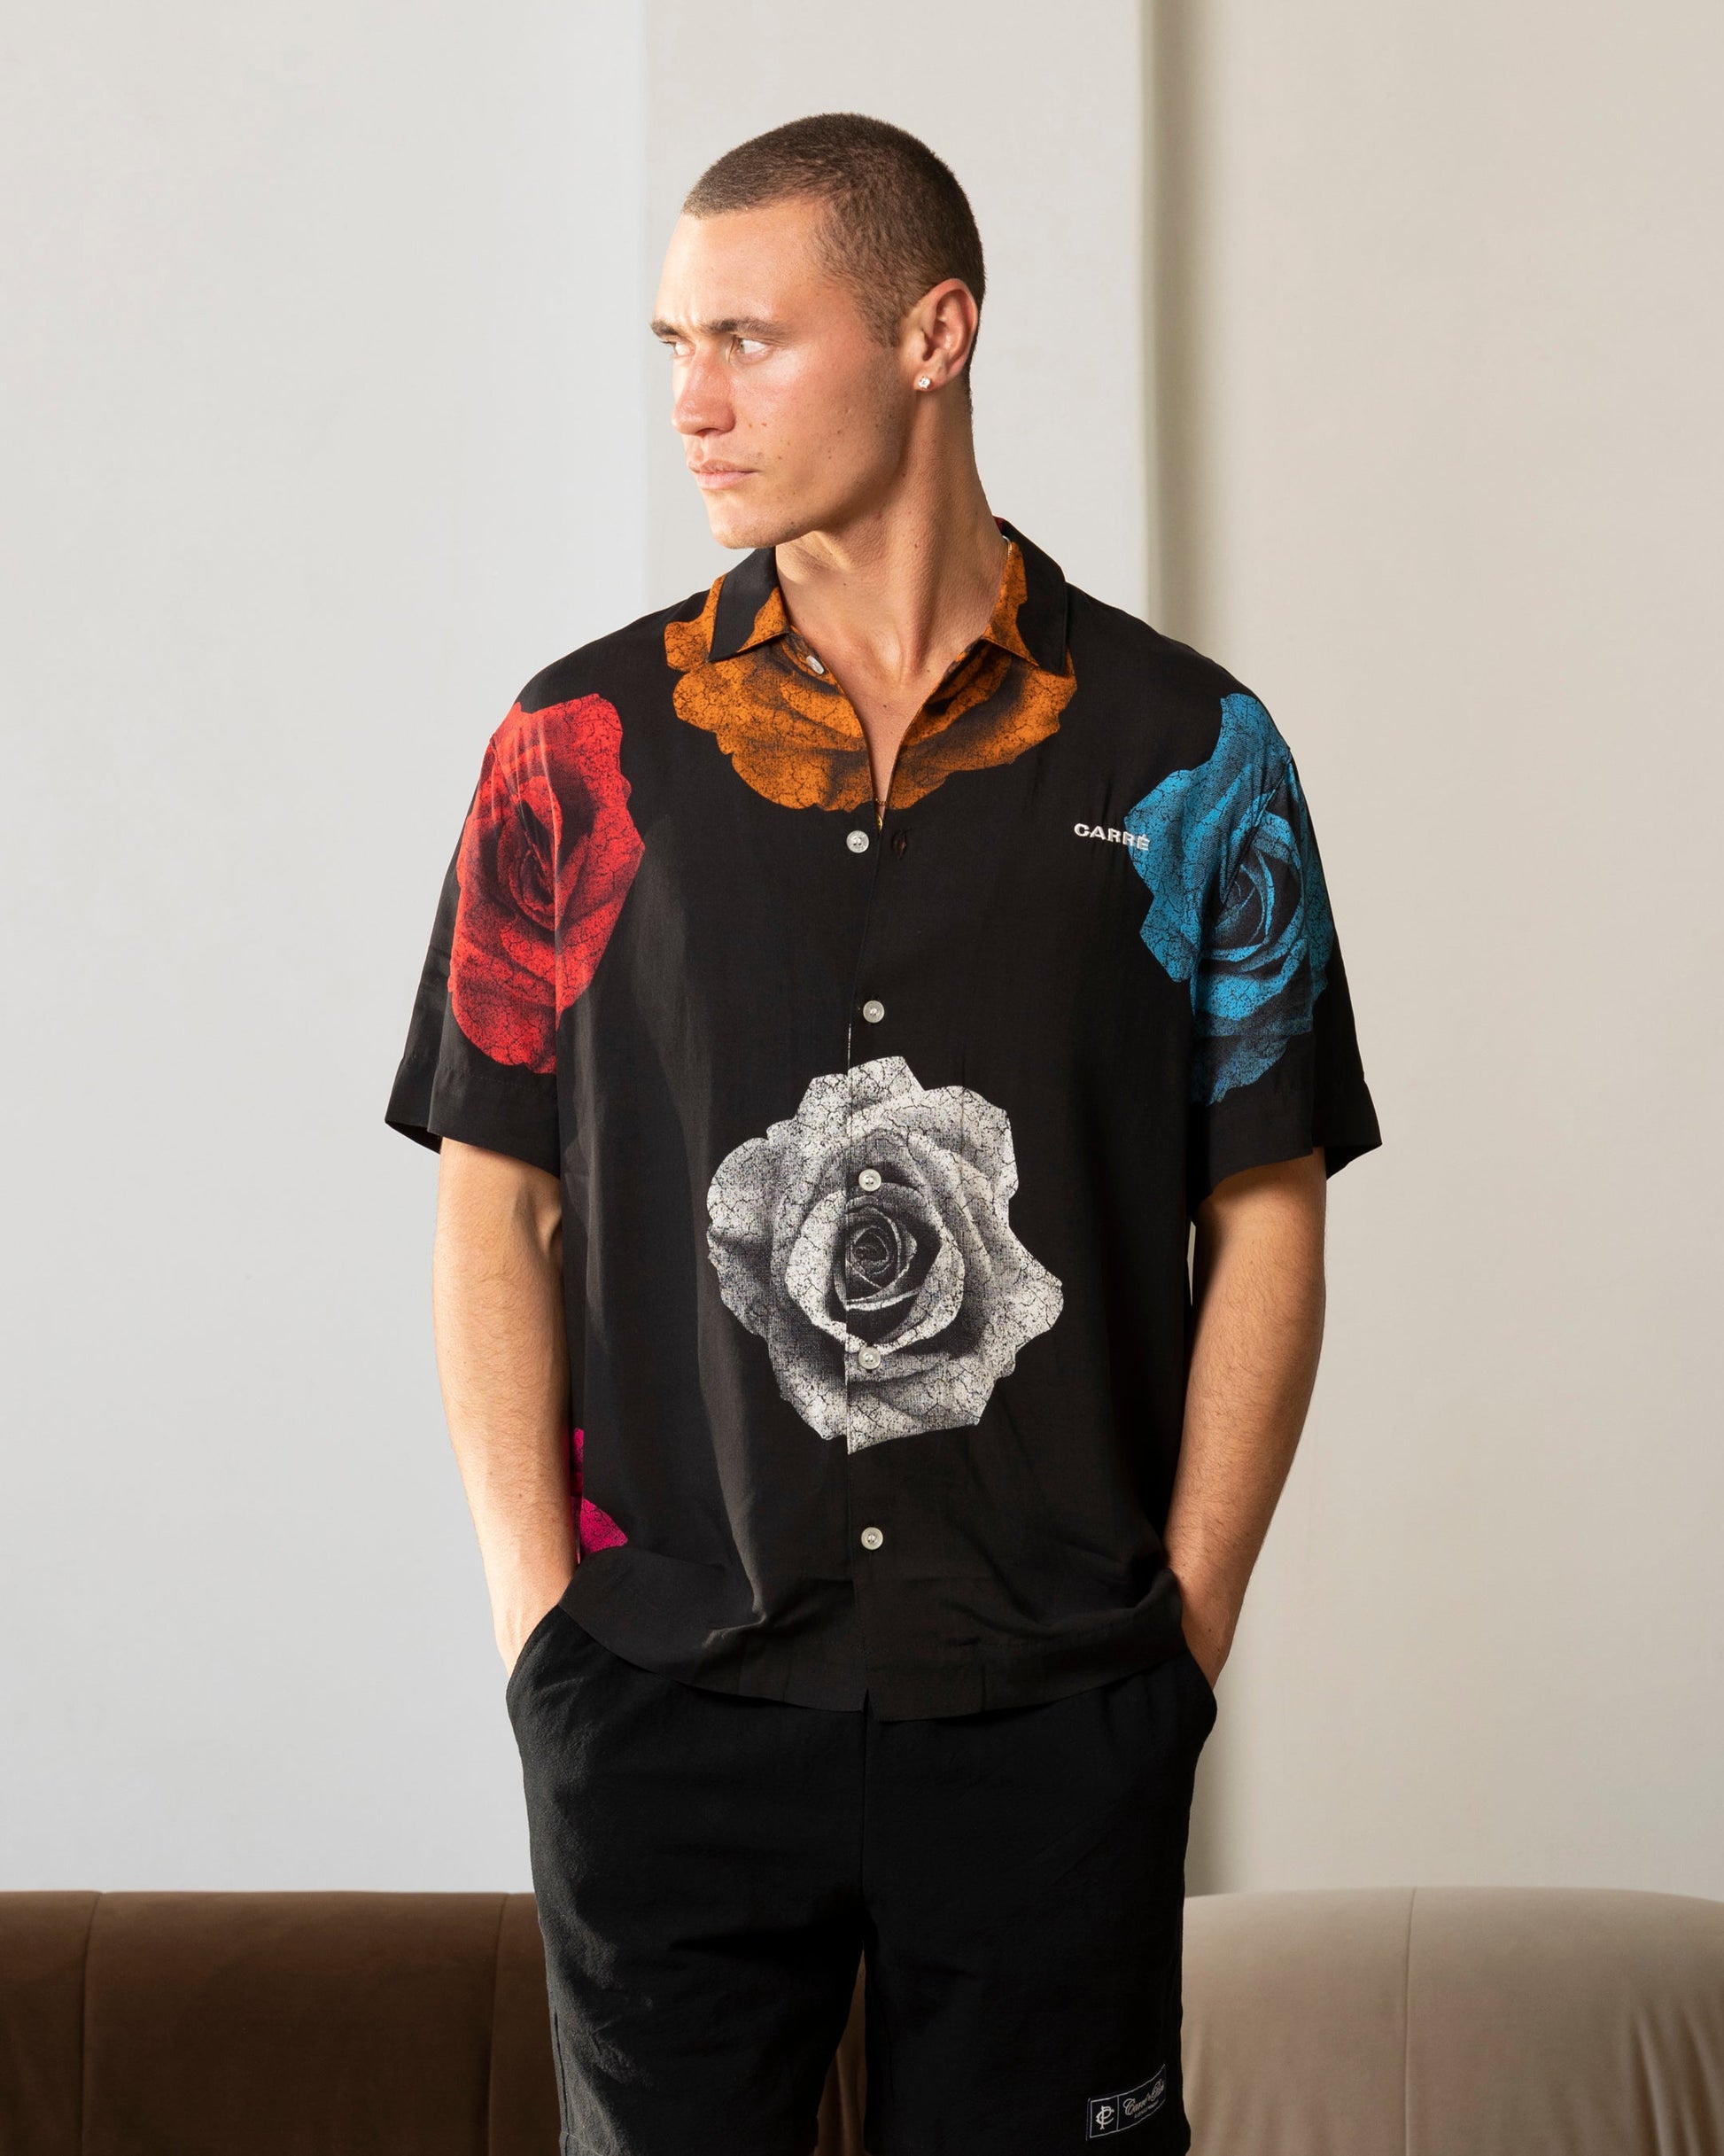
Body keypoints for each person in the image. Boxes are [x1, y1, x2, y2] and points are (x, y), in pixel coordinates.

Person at [386, 111, 1379, 2156]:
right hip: (662, 1697)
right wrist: (536, 1632)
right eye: (672, 344)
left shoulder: (1191, 753)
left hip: (1052, 1713)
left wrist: (1179, 1641)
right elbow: (497, 1199)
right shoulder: (579, 746)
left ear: (935, 335)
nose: (692, 402)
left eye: (746, 339)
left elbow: (1265, 1212)